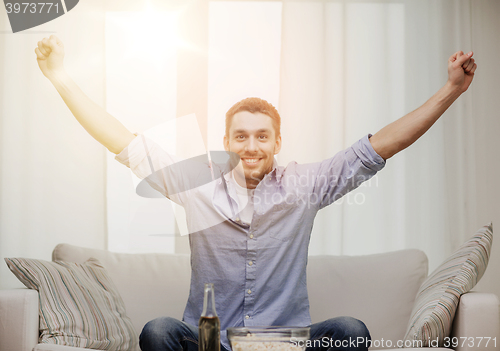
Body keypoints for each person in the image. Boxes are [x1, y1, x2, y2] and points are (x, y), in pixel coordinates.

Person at [35, 35, 477, 351]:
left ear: (277, 143)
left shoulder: (304, 186)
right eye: (241, 137)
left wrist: (452, 89)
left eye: (262, 137)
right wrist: (60, 78)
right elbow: (122, 140)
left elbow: (382, 144)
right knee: (158, 332)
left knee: (350, 329)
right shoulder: (198, 184)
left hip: (286, 345)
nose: (251, 147)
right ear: (226, 143)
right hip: (210, 344)